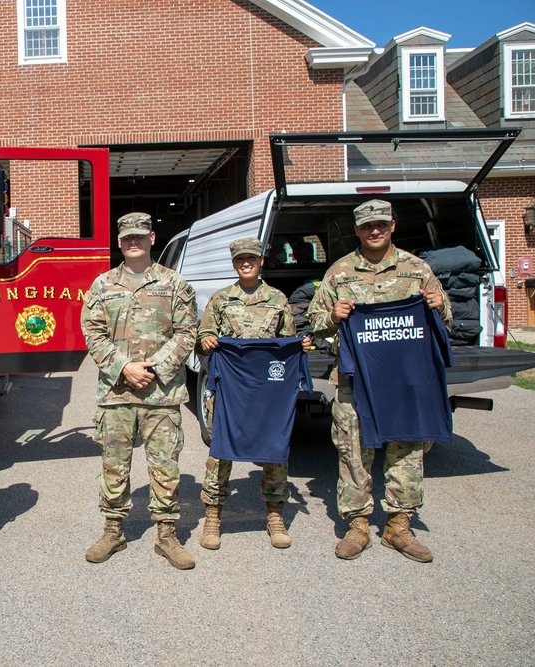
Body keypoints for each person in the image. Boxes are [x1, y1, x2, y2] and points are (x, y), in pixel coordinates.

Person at [307, 199, 451, 563]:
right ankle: (357, 526)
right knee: (354, 452)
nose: (375, 231)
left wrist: (438, 304)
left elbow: (444, 316)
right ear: (357, 230)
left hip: (405, 381)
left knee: (407, 447)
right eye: (367, 226)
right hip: (354, 381)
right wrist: (333, 316)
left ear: (392, 226)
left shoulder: (417, 269)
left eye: (381, 225)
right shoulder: (340, 272)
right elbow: (315, 321)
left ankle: (398, 526)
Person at [80, 212, 198, 570]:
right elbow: (92, 333)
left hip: (161, 395)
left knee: (165, 466)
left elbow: (187, 331)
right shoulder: (102, 285)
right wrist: (123, 367)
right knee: (114, 466)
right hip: (116, 394)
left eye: (140, 236)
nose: (134, 242)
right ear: (119, 242)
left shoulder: (175, 284)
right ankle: (113, 530)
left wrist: (154, 369)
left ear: (152, 238)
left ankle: (166, 534)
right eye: (128, 237)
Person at [196, 237, 310, 551]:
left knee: (274, 448)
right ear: (234, 264)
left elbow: (286, 342)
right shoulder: (221, 299)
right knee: (220, 450)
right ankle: (213, 516)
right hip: (230, 389)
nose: (246, 264)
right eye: (240, 260)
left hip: (266, 391)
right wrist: (206, 341)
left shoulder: (277, 299)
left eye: (251, 259)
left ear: (261, 261)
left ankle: (275, 514)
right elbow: (203, 332)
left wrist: (299, 347)